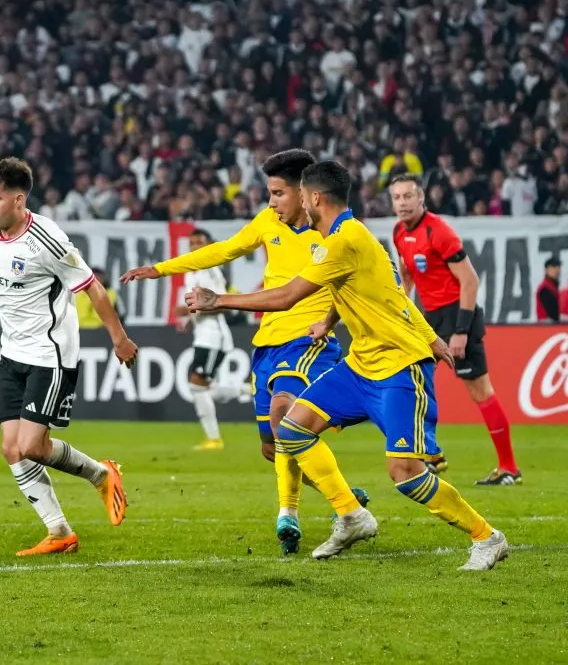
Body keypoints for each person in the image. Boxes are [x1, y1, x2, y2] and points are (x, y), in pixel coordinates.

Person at [186, 161, 508, 570]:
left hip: (398, 367)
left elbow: (286, 296)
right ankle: (352, 515)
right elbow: (384, 292)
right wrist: (331, 320)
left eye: (301, 195)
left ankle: (487, 537)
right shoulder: (349, 239)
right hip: (359, 366)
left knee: (405, 473)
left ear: (315, 198)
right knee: (293, 429)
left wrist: (219, 301)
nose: (299, 203)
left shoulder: (343, 242)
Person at [121, 149, 368, 555]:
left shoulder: (336, 233)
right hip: (267, 342)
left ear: (306, 193)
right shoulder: (269, 222)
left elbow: (341, 288)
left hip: (309, 340)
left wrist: (330, 322)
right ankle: (340, 493)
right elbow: (225, 250)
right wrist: (162, 268)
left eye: (278, 193)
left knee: (284, 416)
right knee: (273, 447)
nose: (271, 202)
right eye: (268, 193)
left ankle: (309, 514)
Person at [0, 157, 138, 556]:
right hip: (13, 353)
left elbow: (92, 287)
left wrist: (119, 338)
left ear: (18, 199)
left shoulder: (48, 239)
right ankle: (59, 531)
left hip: (50, 354)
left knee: (30, 446)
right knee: (12, 448)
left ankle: (100, 473)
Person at [390, 173, 521, 485]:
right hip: (429, 317)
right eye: (397, 198)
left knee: (480, 391)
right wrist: (402, 307)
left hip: (458, 315)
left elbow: (470, 281)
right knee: (413, 378)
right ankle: (432, 454)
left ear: (421, 199)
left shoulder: (439, 231)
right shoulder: (398, 232)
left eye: (408, 196)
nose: (403, 203)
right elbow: (408, 275)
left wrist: (461, 331)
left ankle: (509, 468)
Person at [166, 229, 249, 450]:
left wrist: (188, 309)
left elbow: (222, 304)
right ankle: (246, 390)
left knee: (197, 386)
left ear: (209, 244)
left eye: (199, 242)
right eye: (191, 243)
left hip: (214, 337)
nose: (194, 246)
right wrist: (189, 318)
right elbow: (199, 308)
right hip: (203, 336)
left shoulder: (210, 269)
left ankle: (214, 439)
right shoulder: (191, 272)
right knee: (205, 390)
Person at [537, 257, 562, 322]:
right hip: (547, 327)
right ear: (546, 270)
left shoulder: (553, 287)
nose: (557, 269)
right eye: (553, 266)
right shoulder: (545, 288)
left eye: (558, 266)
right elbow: (554, 314)